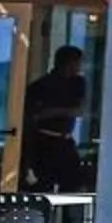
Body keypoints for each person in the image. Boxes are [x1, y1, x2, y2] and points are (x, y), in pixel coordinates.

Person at [21, 45, 92, 192]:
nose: (79, 67)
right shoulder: (41, 86)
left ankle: (69, 215)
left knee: (74, 183)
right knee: (43, 184)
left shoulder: (77, 83)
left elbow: (78, 110)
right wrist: (63, 111)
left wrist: (54, 112)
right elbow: (34, 115)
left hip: (65, 140)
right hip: (43, 141)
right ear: (68, 63)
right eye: (77, 63)